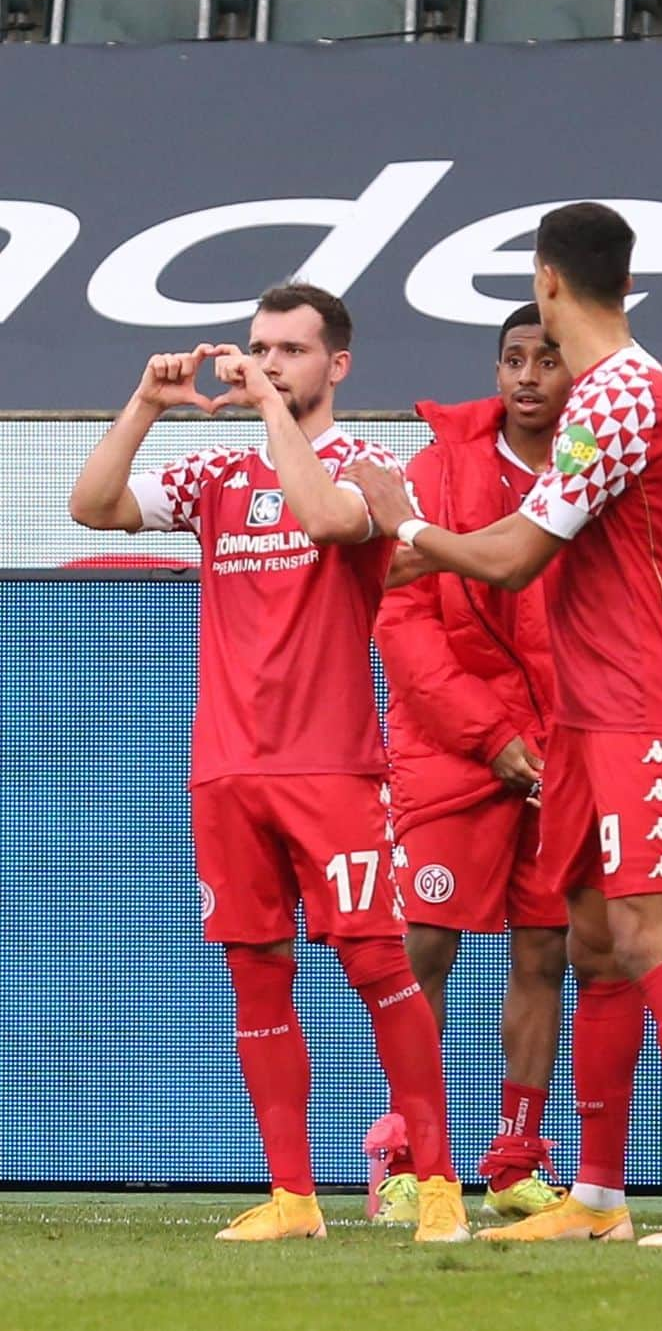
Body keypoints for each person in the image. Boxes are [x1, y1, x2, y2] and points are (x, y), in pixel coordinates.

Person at [348, 203, 662, 1248]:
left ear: (548, 281)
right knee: (592, 939)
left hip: (648, 702)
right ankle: (595, 1197)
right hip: (589, 711)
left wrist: (408, 523)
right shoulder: (605, 395)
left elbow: (515, 557)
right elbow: (509, 536)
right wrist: (437, 542)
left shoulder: (626, 392)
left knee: (646, 932)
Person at [68, 283, 469, 1244]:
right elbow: (91, 505)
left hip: (331, 767)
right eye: (259, 348)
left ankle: (440, 1183)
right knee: (257, 972)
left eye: (290, 350)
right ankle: (293, 1199)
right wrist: (147, 405)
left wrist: (269, 412)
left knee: (379, 966)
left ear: (337, 366)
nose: (269, 363)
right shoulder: (216, 476)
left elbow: (331, 521)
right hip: (227, 769)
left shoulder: (373, 469)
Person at [365, 304, 572, 1225]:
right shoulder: (434, 471)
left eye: (547, 360)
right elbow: (403, 624)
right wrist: (493, 738)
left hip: (566, 754)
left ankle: (515, 1159)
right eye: (513, 359)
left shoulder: (598, 470)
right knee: (425, 950)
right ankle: (410, 1155)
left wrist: (569, 740)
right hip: (452, 753)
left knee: (547, 951)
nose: (528, 376)